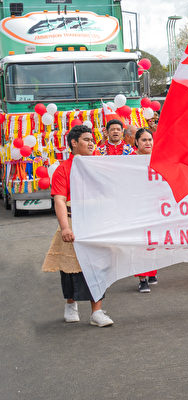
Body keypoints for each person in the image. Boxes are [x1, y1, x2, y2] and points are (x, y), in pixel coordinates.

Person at [41, 125, 113, 327]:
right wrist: (65, 227)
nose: (91, 143)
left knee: (97, 267)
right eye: (86, 139)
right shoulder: (63, 169)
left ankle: (96, 312)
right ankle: (70, 303)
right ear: (74, 143)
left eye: (92, 140)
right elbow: (60, 200)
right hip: (73, 220)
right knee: (70, 268)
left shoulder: (98, 167)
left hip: (96, 222)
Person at [132, 128, 159, 292]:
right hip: (138, 208)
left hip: (156, 207)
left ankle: (152, 271)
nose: (148, 143)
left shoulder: (158, 159)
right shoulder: (129, 161)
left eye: (150, 139)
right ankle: (142, 279)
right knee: (140, 243)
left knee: (154, 241)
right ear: (136, 142)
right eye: (144, 140)